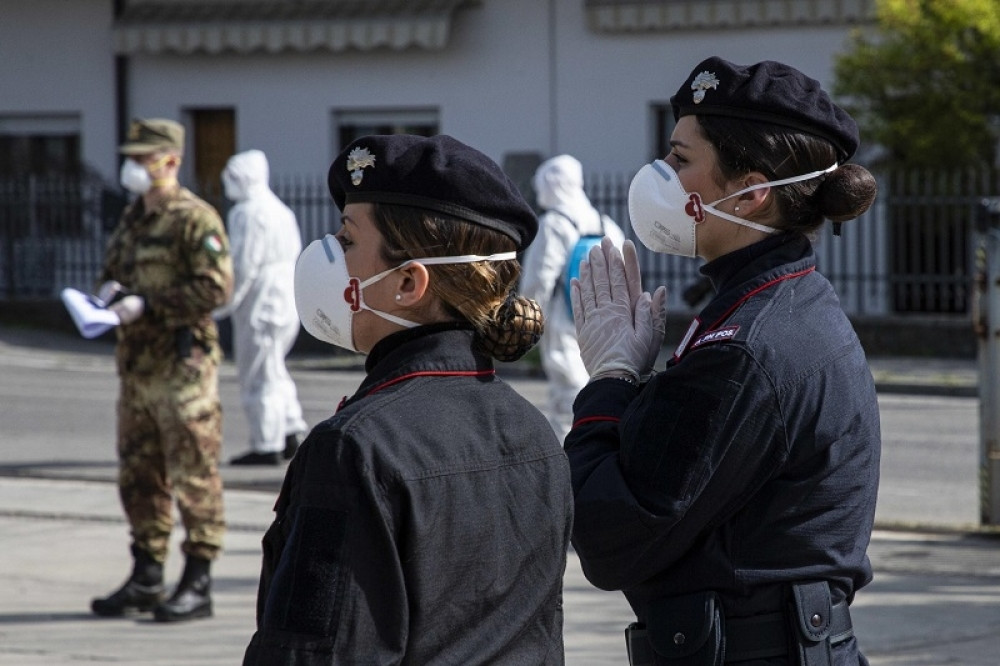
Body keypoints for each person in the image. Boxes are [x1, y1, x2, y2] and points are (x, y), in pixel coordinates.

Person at [567, 56, 881, 665]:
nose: (660, 173)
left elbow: (610, 536)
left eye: (680, 159)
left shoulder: (743, 346)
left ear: (752, 194)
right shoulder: (782, 302)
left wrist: (610, 380)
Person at [242, 134, 574, 664]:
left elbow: (318, 654)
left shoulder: (354, 448)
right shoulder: (535, 431)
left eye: (347, 240)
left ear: (407, 284)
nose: (330, 255)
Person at [90, 118, 234, 623]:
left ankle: (198, 580)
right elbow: (114, 272)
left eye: (143, 157)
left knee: (193, 471)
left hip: (181, 368)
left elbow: (215, 288)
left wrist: (148, 305)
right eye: (131, 158)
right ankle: (147, 574)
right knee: (139, 472)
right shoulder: (133, 217)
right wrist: (108, 295)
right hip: (137, 369)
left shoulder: (195, 218)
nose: (133, 166)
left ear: (171, 160)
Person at [520, 154, 625, 441]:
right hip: (602, 317)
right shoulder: (604, 222)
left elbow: (539, 278)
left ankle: (569, 452)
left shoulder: (553, 223)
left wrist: (529, 322)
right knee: (600, 382)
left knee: (568, 390)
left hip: (562, 317)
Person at [215, 149, 308, 466]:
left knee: (257, 373)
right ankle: (291, 429)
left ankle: (266, 442)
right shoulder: (281, 210)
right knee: (274, 367)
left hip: (261, 301)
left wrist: (224, 303)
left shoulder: (247, 213)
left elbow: (244, 265)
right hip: (285, 299)